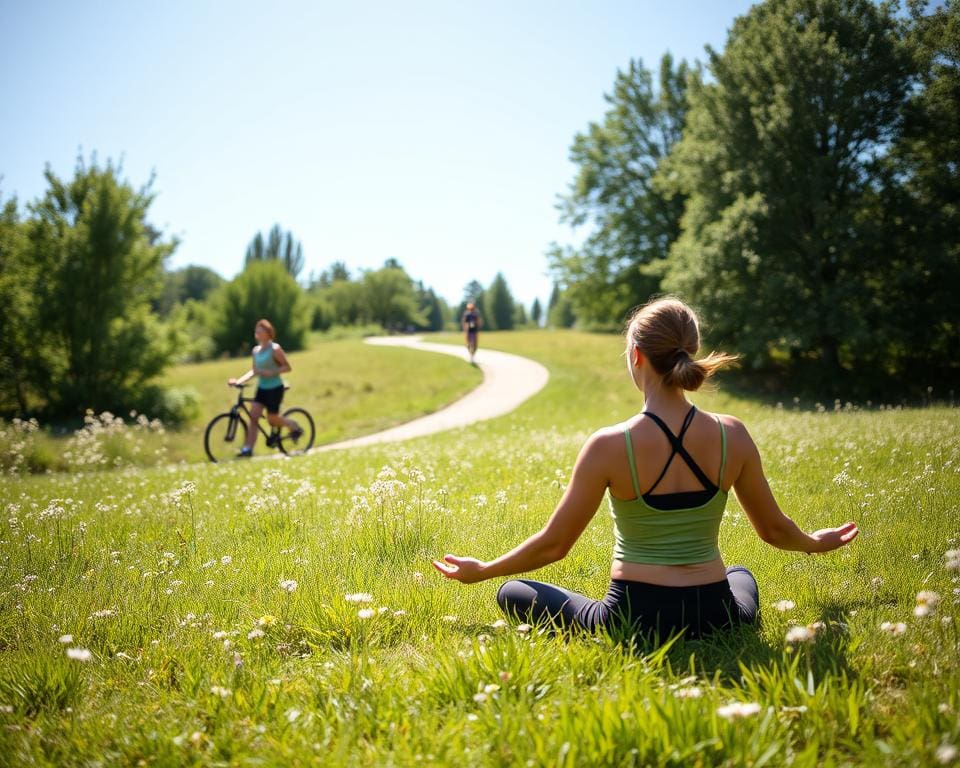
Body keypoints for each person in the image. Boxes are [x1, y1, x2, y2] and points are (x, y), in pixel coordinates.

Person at [433, 297, 859, 641]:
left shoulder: (609, 445)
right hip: (715, 615)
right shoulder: (733, 435)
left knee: (512, 592)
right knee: (740, 574)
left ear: (636, 355)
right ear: (688, 352)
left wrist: (483, 570)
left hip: (633, 618)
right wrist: (814, 543)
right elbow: (774, 530)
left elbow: (554, 546)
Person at [227, 318, 302, 458]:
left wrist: (271, 372)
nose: (257, 334)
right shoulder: (256, 351)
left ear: (268, 333)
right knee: (253, 418)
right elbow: (254, 371)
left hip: (275, 388)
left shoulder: (275, 349)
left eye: (260, 331)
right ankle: (248, 449)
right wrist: (238, 380)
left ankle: (293, 426)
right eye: (256, 331)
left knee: (272, 419)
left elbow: (287, 367)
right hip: (261, 389)